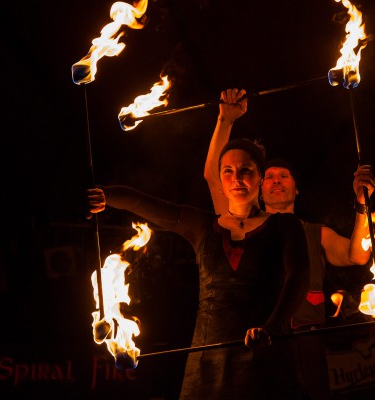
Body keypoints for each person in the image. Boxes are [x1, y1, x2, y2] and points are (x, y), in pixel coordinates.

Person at [86, 138, 311, 399]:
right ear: (221, 180)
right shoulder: (202, 226)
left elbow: (299, 278)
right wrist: (107, 195)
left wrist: (271, 327)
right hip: (208, 364)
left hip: (269, 357)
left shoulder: (286, 226)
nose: (236, 178)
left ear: (260, 177)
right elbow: (147, 204)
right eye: (228, 171)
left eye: (245, 170)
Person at [203, 88, 375, 399]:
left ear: (297, 189)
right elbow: (214, 176)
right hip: (252, 337)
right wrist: (225, 121)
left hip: (303, 340)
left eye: (284, 176)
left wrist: (362, 205)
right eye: (268, 176)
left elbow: (357, 255)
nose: (276, 180)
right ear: (256, 184)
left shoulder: (313, 232)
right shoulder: (237, 222)